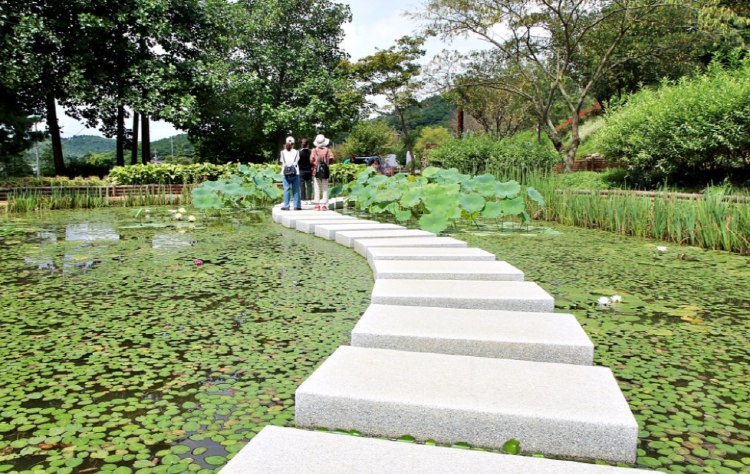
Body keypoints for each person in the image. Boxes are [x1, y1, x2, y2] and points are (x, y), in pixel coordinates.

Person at [311, 134, 334, 211]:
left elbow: (311, 160)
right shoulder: (328, 150)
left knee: (317, 188)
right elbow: (331, 159)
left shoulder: (314, 150)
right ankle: (324, 205)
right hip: (325, 172)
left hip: (316, 171)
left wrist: (315, 163)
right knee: (325, 188)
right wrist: (326, 163)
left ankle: (317, 205)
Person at [279, 136, 301, 211]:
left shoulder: (282, 152)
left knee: (286, 189)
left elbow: (282, 161)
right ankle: (297, 206)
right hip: (295, 172)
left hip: (285, 173)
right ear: (293, 144)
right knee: (296, 190)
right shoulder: (297, 152)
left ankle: (286, 206)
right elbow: (297, 160)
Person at [298, 138, 313, 203]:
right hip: (309, 170)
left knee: (302, 185)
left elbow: (297, 162)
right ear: (308, 144)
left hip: (301, 170)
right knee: (309, 184)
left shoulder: (299, 153)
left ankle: (303, 199)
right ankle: (309, 199)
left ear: (301, 144)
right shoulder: (311, 152)